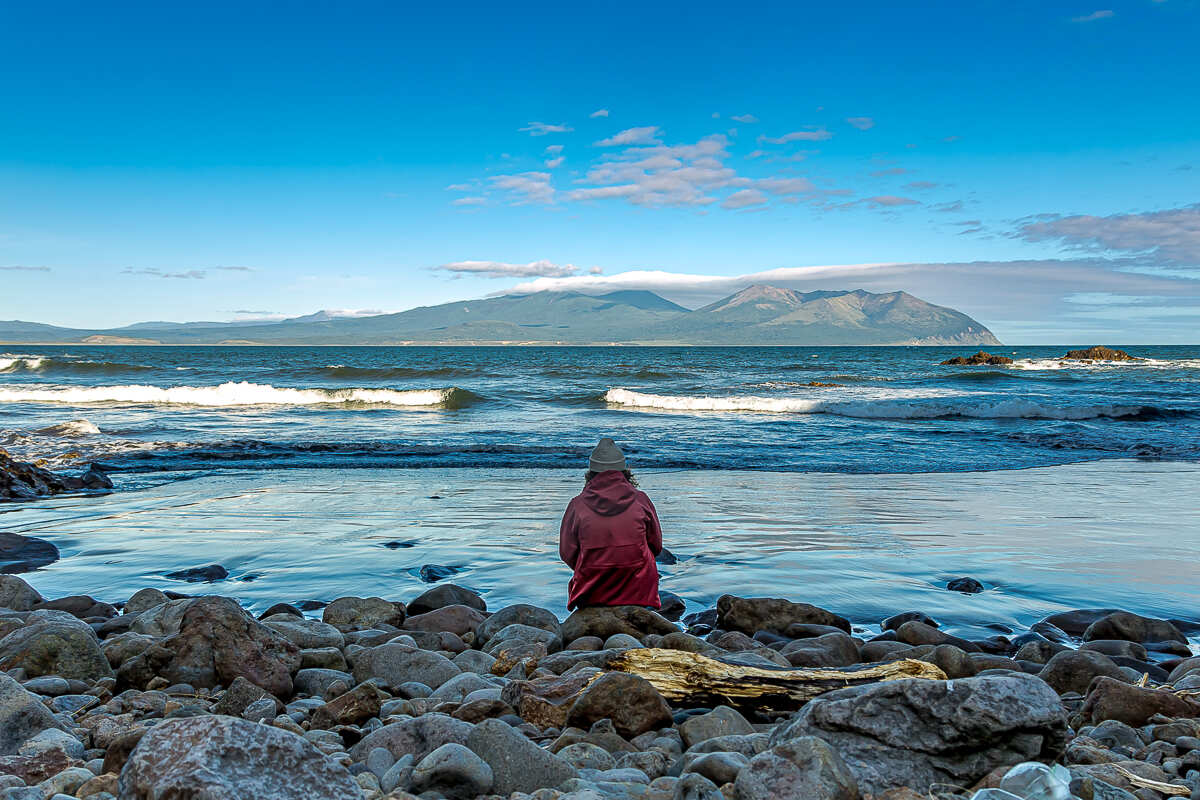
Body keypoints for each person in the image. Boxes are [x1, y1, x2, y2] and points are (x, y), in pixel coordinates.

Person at [559, 437, 663, 610]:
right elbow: (656, 546)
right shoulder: (641, 499)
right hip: (639, 589)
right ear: (625, 472)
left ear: (591, 473)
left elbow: (567, 553)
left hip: (592, 589)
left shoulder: (577, 505)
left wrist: (594, 563)